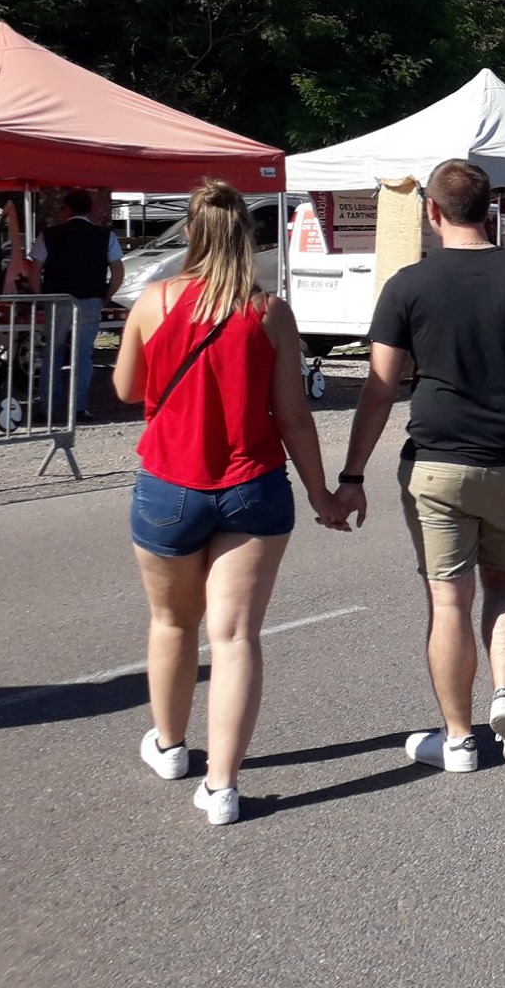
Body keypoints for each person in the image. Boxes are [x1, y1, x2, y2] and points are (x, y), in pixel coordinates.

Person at [112, 180, 345, 826]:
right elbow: (294, 418)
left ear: (189, 233)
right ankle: (222, 787)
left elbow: (128, 387)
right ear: (247, 237)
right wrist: (323, 493)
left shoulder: (153, 301)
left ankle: (168, 745)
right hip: (253, 487)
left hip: (168, 484)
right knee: (237, 634)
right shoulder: (270, 313)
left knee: (171, 623)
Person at [335, 158, 505, 775]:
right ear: (490, 209)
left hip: (436, 461)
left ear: (431, 212)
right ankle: (504, 696)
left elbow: (380, 389)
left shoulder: (407, 285)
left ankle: (459, 739)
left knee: (448, 601)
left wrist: (352, 475)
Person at [29, 188, 124, 420]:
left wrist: (41, 296)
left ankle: (47, 408)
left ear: (66, 209)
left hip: (57, 299)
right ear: (90, 210)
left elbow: (34, 271)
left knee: (53, 353)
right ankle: (79, 407)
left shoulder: (48, 236)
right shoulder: (106, 236)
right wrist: (105, 296)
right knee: (84, 355)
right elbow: (118, 272)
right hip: (90, 300)